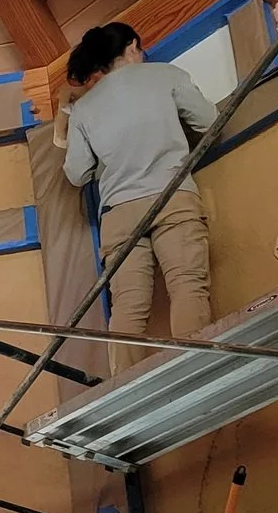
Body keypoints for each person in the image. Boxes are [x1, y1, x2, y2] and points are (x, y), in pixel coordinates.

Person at [58, 22, 217, 343]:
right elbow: (209, 121)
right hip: (171, 195)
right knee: (187, 285)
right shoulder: (165, 75)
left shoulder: (84, 109)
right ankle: (196, 376)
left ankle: (125, 387)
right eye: (141, 50)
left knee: (128, 308)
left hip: (119, 215)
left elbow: (76, 173)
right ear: (132, 47)